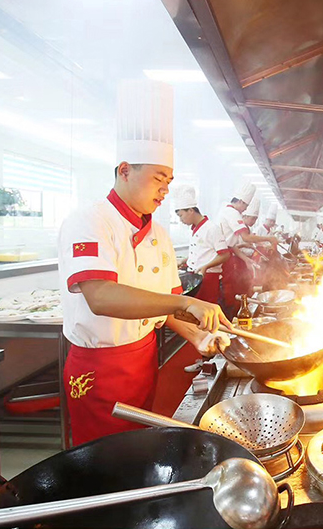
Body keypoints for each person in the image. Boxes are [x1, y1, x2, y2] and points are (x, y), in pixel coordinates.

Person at [58, 80, 230, 445]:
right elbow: (101, 296)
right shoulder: (89, 220)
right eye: (158, 178)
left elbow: (165, 309)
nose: (165, 189)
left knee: (138, 448)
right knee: (102, 457)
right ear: (124, 170)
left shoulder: (159, 234)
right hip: (99, 369)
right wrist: (185, 304)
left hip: (144, 359)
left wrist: (197, 334)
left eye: (169, 181)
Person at [217, 184, 278, 315]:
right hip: (227, 258)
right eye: (245, 206)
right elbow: (246, 237)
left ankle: (235, 314)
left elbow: (232, 245)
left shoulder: (227, 210)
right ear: (240, 201)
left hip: (230, 255)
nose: (245, 209)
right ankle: (232, 318)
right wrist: (269, 239)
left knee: (235, 290)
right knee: (230, 292)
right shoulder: (232, 213)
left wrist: (246, 260)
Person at [171, 185, 230, 304]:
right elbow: (202, 252)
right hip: (196, 276)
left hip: (208, 277)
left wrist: (206, 266)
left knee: (206, 309)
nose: (181, 220)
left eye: (181, 215)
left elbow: (225, 255)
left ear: (191, 211)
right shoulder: (195, 229)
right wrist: (184, 261)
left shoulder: (211, 228)